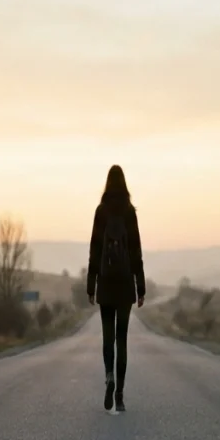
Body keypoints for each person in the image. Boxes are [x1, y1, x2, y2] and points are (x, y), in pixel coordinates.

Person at [87, 164, 146, 413]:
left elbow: (95, 250)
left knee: (107, 337)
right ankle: (120, 395)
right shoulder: (130, 212)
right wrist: (140, 287)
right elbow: (135, 251)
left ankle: (108, 375)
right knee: (122, 339)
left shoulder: (101, 212)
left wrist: (91, 285)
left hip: (106, 284)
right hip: (124, 285)